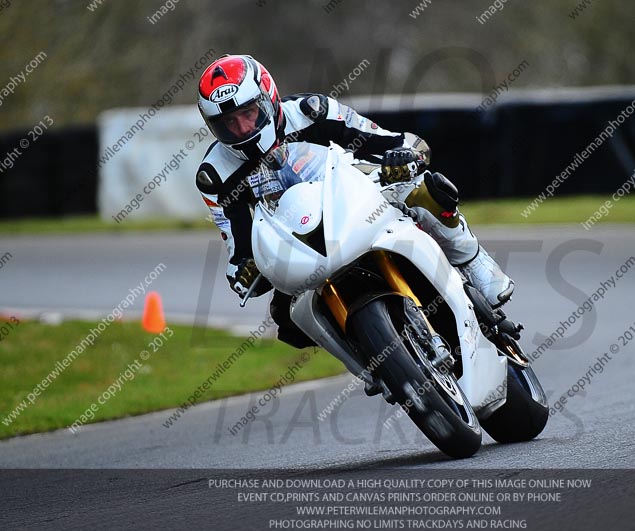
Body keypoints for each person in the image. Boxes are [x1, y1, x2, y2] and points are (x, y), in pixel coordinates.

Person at [195, 54, 514, 347]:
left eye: (248, 113)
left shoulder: (313, 112)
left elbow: (397, 141)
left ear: (269, 98)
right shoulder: (215, 175)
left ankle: (475, 263)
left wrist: (404, 157)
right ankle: (373, 360)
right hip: (300, 244)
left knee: (422, 188)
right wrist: (246, 271)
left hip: (355, 200)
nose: (242, 128)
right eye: (228, 124)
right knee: (288, 321)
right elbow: (238, 250)